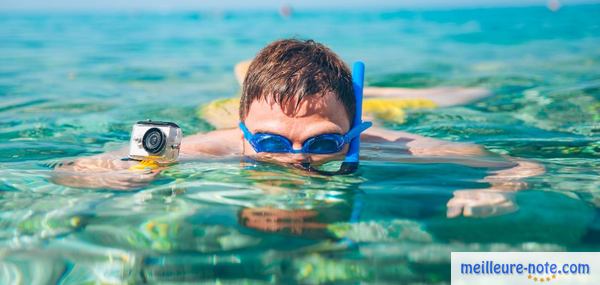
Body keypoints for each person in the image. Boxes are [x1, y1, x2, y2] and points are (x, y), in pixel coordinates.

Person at [53, 39, 544, 217]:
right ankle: (248, 76)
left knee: (454, 97)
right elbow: (73, 169)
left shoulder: (386, 142)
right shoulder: (217, 143)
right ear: (246, 132)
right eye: (268, 141)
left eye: (325, 142)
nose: (296, 160)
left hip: (364, 108)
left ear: (353, 131)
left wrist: (497, 184)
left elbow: (521, 162)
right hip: (224, 110)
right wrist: (116, 171)